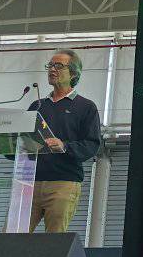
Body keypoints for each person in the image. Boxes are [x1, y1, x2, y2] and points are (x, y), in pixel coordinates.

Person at [28, 49, 101, 233]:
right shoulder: (37, 106)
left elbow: (92, 144)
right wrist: (5, 145)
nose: (52, 69)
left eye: (59, 66)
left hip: (63, 183)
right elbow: (24, 143)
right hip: (29, 182)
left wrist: (65, 146)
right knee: (10, 237)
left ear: (73, 73)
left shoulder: (86, 107)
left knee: (54, 242)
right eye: (50, 65)